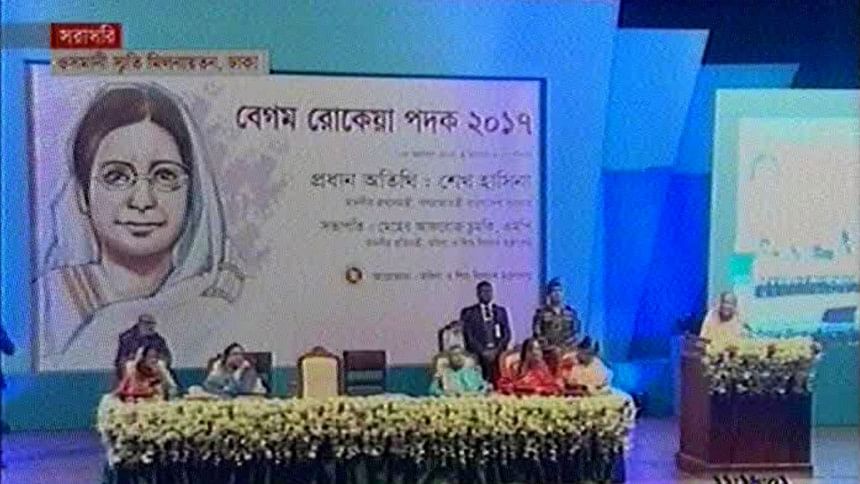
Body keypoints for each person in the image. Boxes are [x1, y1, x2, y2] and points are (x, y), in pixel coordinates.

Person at [34, 82, 244, 371]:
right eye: (117, 177)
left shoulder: (226, 303)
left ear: (192, 191)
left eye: (165, 175)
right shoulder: (45, 306)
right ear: (82, 195)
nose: (143, 201)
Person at [460, 281, 512, 382]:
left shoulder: (500, 311)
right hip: (478, 353)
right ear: (478, 294)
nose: (486, 294)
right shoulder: (469, 312)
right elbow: (469, 336)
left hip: (498, 352)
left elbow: (507, 334)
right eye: (483, 291)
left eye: (489, 291)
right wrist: (482, 351)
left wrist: (496, 350)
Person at [496, 338, 563, 396]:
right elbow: (518, 382)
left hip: (543, 390)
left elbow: (550, 382)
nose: (539, 352)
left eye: (539, 349)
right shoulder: (519, 365)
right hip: (527, 390)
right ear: (529, 352)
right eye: (536, 349)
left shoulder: (542, 364)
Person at [532, 278, 581, 351]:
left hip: (568, 350)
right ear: (549, 294)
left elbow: (576, 333)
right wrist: (549, 347)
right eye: (554, 291)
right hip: (547, 351)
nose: (557, 293)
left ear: (563, 293)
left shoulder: (571, 313)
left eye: (560, 290)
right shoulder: (541, 313)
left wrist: (565, 346)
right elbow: (537, 333)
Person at [202, 343, 267, 398]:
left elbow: (241, 393)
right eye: (235, 354)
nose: (239, 357)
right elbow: (209, 388)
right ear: (227, 357)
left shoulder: (248, 372)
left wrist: (238, 373)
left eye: (241, 354)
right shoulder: (219, 371)